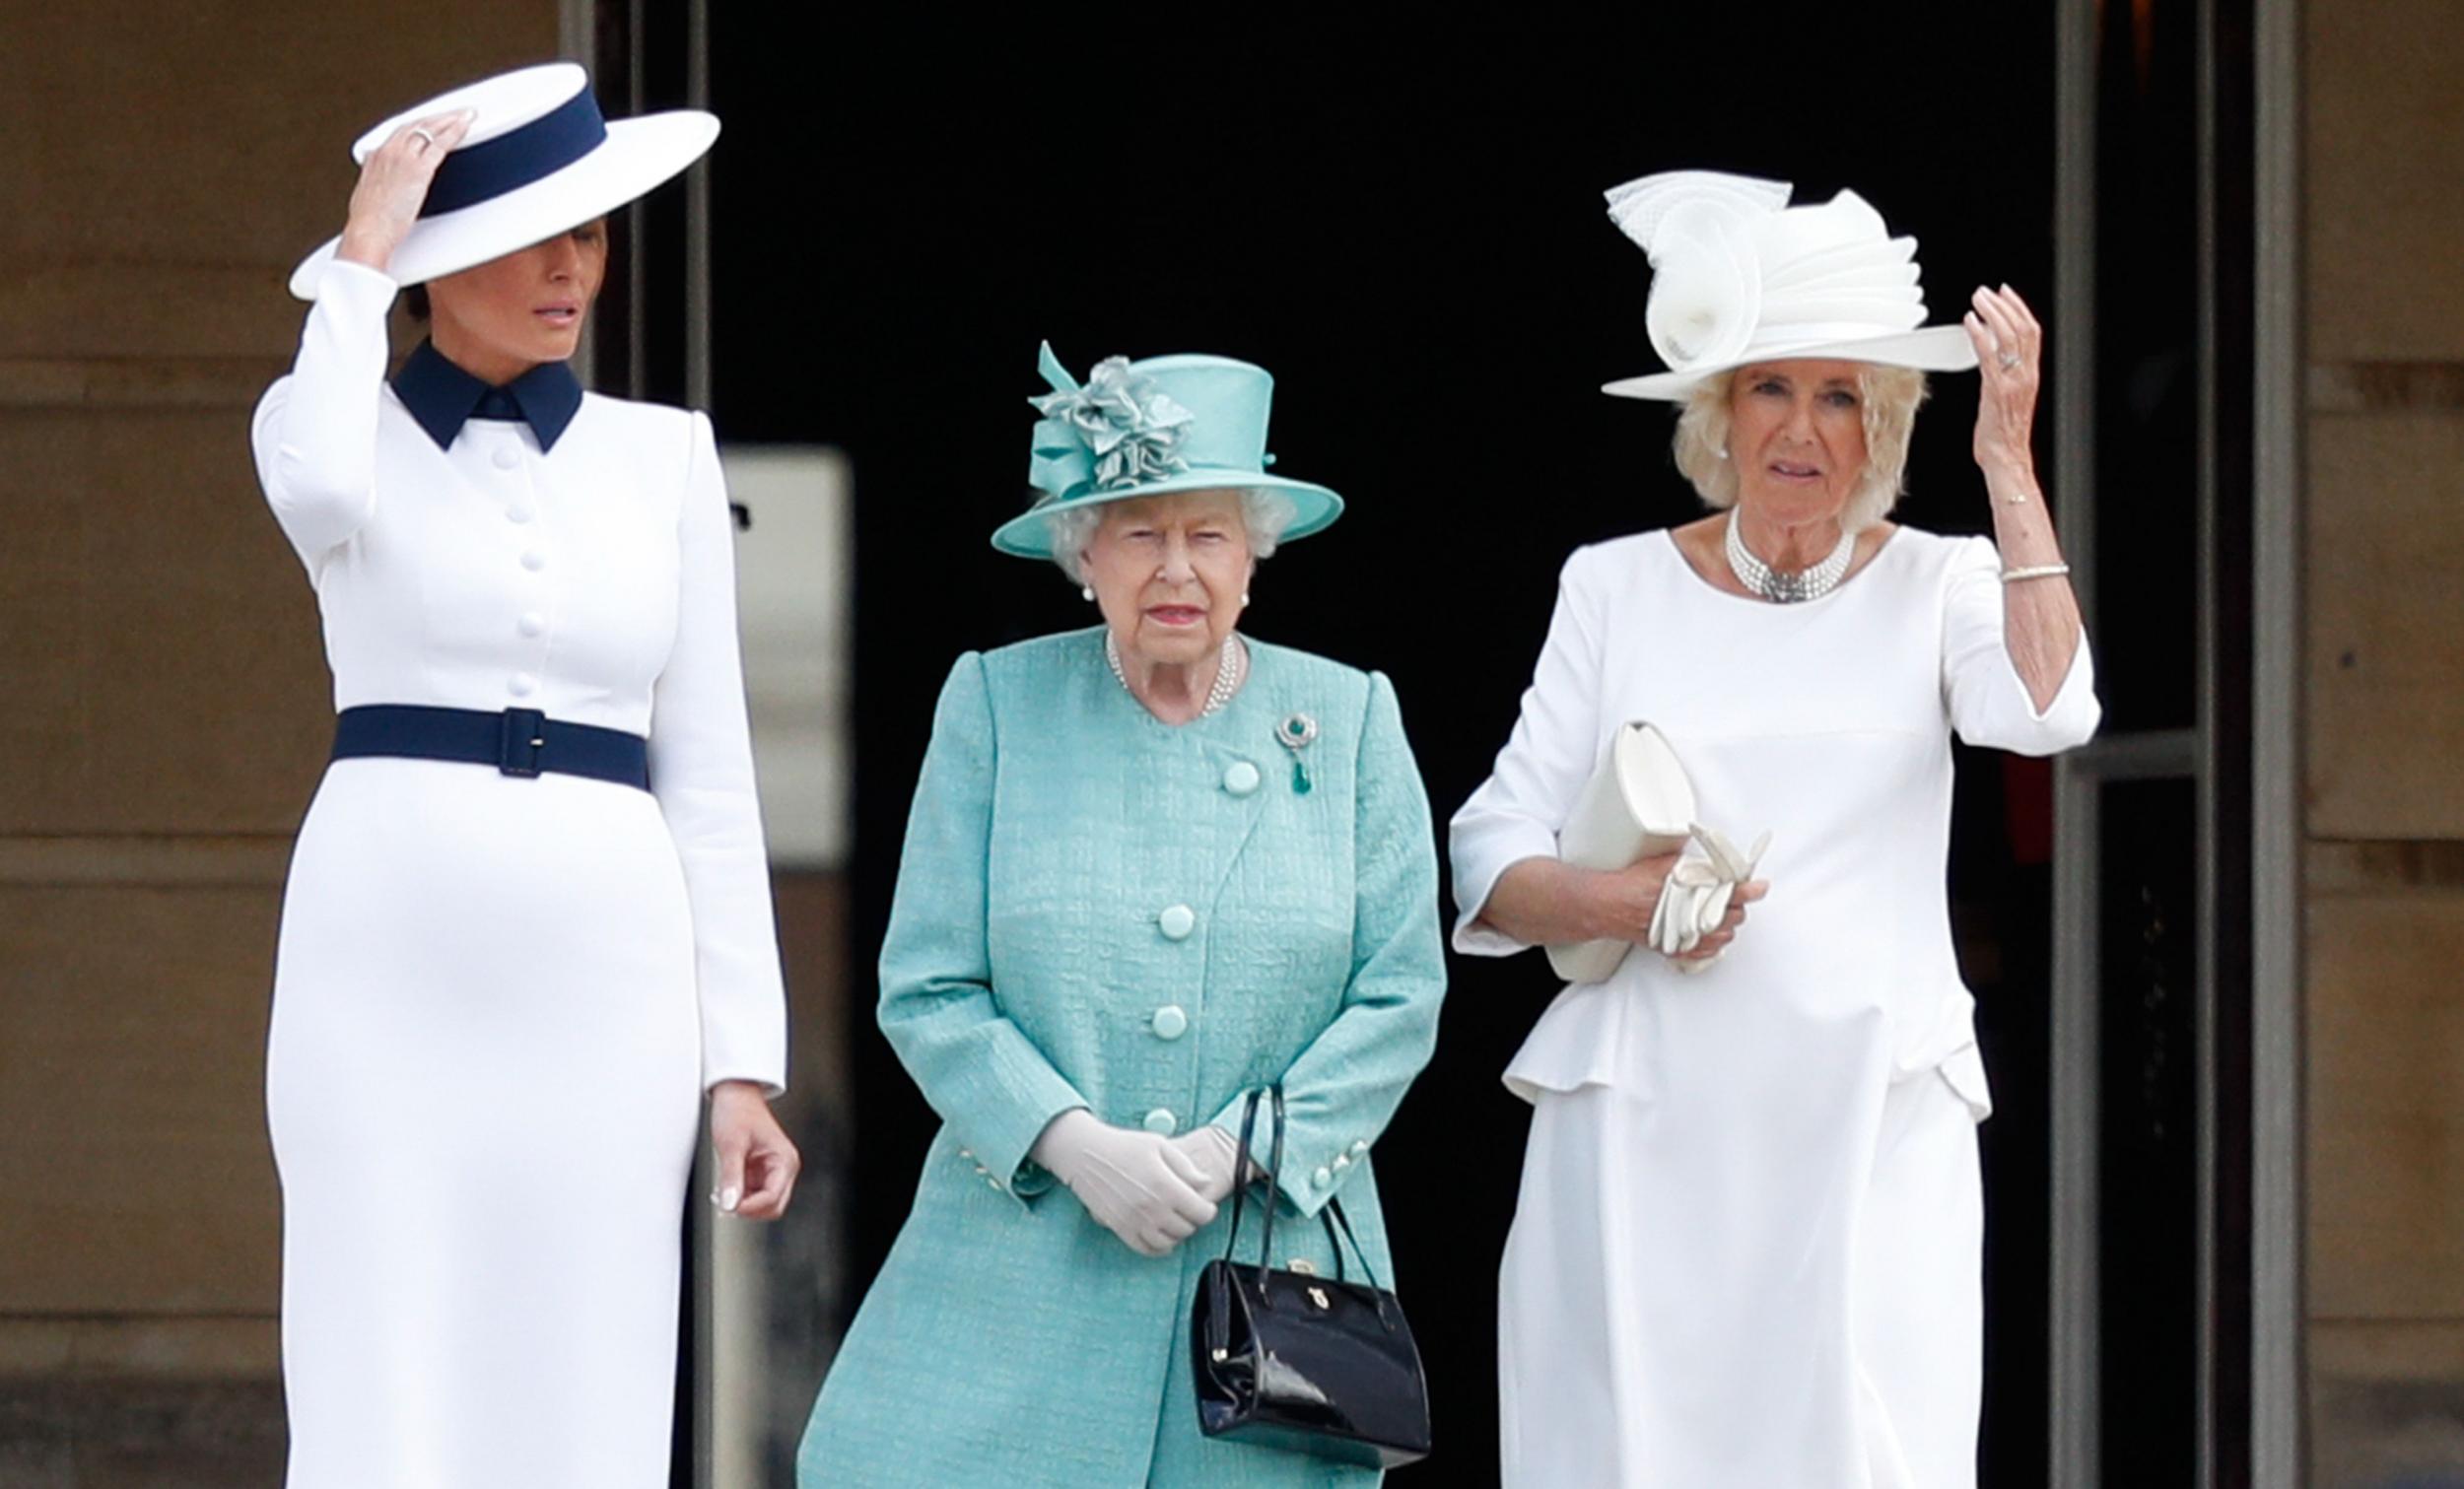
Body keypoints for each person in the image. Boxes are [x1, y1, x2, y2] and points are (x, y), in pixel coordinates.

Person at [1449, 171, 2100, 1487]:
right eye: (1770, 386)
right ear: (1719, 413)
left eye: (1842, 392)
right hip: (1647, 1130)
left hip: (1872, 1124)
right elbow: (1488, 855)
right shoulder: (1613, 584)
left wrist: (2009, 471)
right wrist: (1622, 903)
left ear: (1884, 425)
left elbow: (2051, 708)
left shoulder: (1943, 580)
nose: (1803, 425)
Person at [251, 63, 798, 1488]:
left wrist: (741, 1058)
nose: (574, 268)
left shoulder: (662, 453)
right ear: (433, 265)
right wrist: (362, 262)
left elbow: (713, 767)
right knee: (380, 1334)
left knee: (592, 1343)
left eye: (595, 233)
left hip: (608, 957)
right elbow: (311, 486)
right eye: (529, 236)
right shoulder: (330, 426)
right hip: (384, 944)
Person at [797, 344, 1446, 1486]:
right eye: (1141, 532)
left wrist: (1233, 1146)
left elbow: (1400, 994)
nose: (1176, 567)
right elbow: (930, 982)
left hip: (1262, 1283)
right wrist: (1074, 1143)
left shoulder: (1348, 718)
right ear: (1082, 552)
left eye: (1208, 534)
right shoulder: (997, 701)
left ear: (1255, 553)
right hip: (1024, 1263)